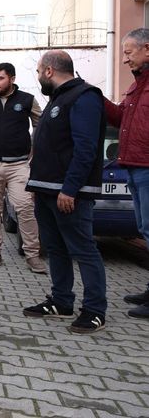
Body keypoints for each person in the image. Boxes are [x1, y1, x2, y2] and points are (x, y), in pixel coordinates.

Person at [23, 50, 107, 334]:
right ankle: (61, 301)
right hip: (47, 190)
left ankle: (95, 310)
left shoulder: (84, 97)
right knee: (55, 248)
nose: (38, 77)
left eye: (38, 72)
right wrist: (35, 185)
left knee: (83, 250)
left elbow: (86, 149)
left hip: (69, 193)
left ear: (49, 71)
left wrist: (70, 189)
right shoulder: (57, 99)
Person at [0, 62, 45, 273]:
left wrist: (34, 153)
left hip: (19, 166)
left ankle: (32, 255)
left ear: (12, 78)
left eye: (0, 78)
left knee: (25, 208)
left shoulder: (27, 100)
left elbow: (41, 126)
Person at [107, 29, 149, 319]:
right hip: (133, 167)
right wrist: (96, 98)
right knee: (145, 230)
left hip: (146, 167)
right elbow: (120, 117)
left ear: (147, 48)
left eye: (128, 52)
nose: (125, 59)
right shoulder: (137, 86)